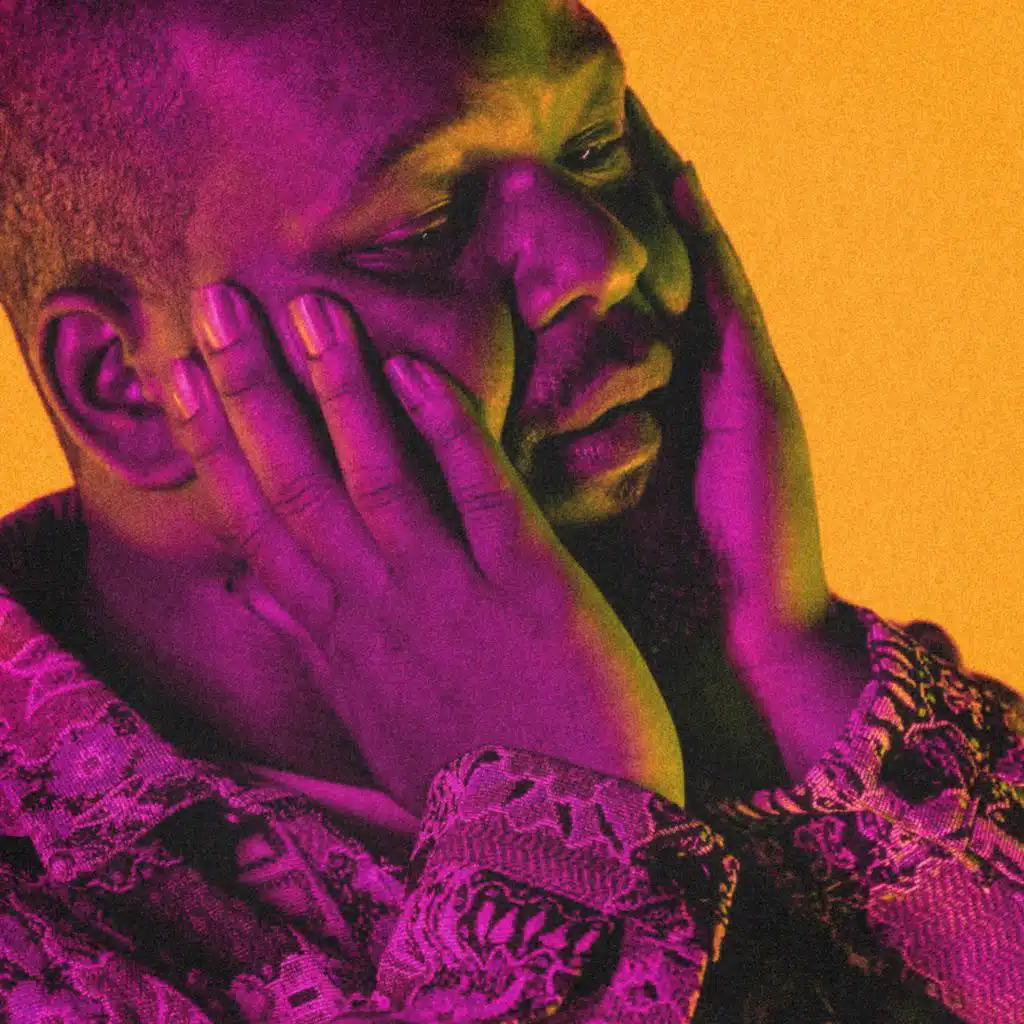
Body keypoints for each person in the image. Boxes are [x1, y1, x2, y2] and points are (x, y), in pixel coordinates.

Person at [0, 0, 1020, 1020]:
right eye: (424, 226)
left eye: (595, 147)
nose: (607, 256)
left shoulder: (816, 710)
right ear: (122, 387)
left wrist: (781, 672)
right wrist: (554, 844)